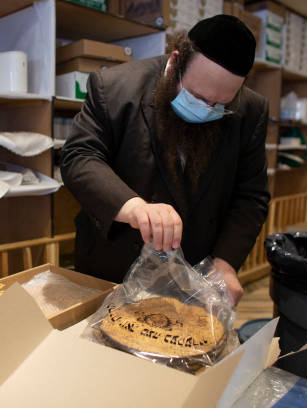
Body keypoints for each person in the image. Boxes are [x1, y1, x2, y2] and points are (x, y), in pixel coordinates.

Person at [60, 15, 270, 305]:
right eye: (196, 96)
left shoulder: (251, 110)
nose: (206, 109)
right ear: (175, 61)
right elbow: (79, 156)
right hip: (113, 266)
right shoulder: (114, 87)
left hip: (194, 275)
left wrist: (225, 263)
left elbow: (251, 196)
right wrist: (134, 207)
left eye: (219, 105)